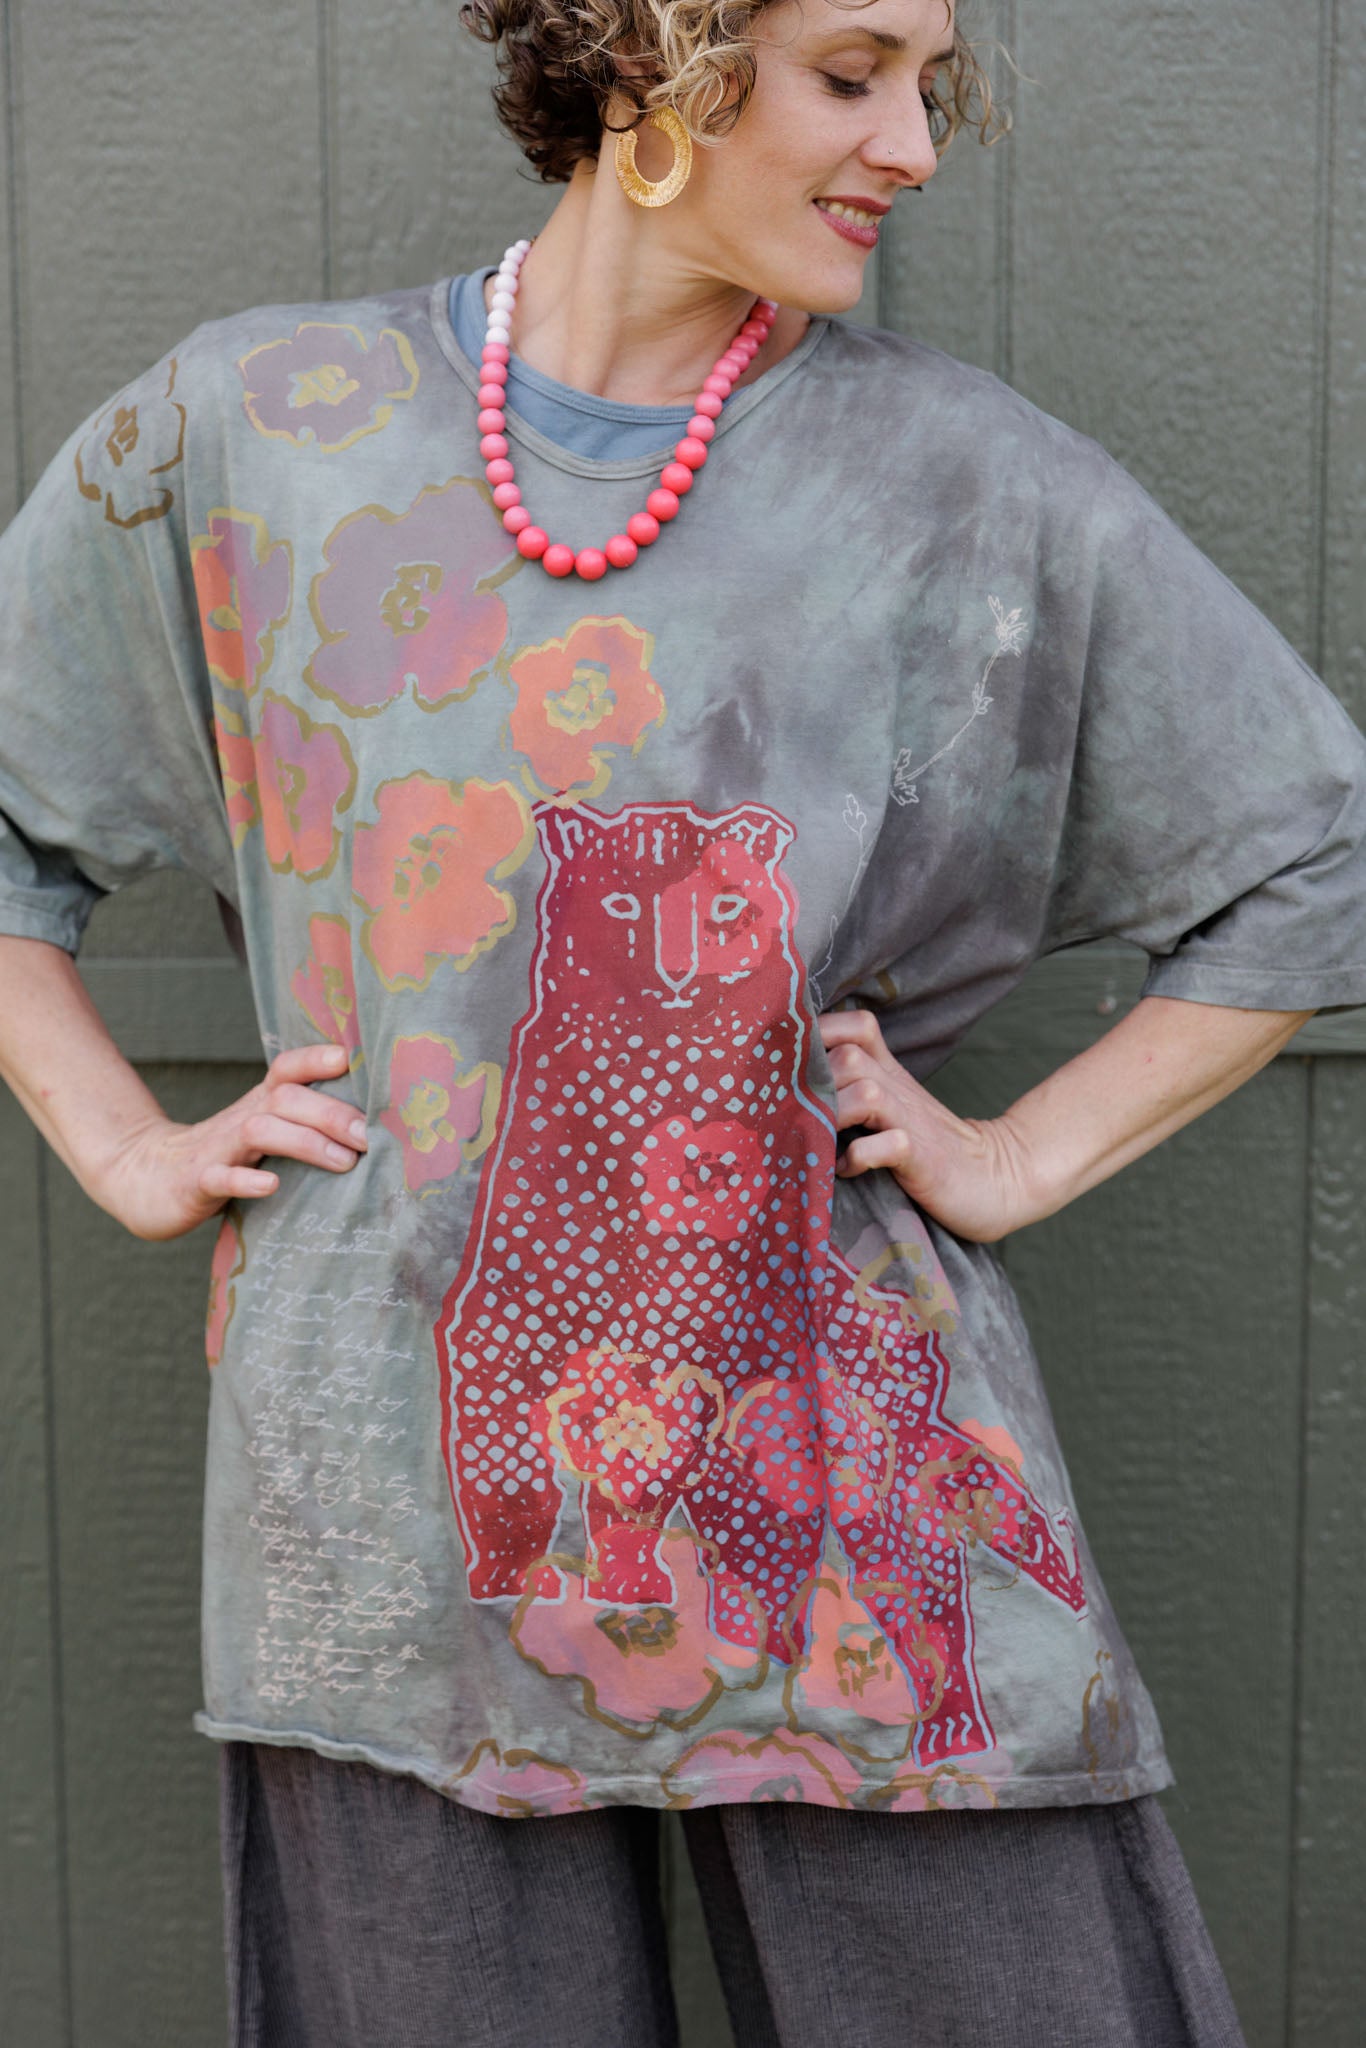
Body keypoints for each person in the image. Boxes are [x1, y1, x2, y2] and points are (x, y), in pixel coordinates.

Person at [1, 1, 1363, 2042]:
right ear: (654, 48)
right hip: (389, 1503)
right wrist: (123, 1143)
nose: (911, 145)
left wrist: (1015, 1155)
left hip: (844, 1475)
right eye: (849, 72)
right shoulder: (258, 427)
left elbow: (1308, 849)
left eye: (929, 86)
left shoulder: (961, 482)